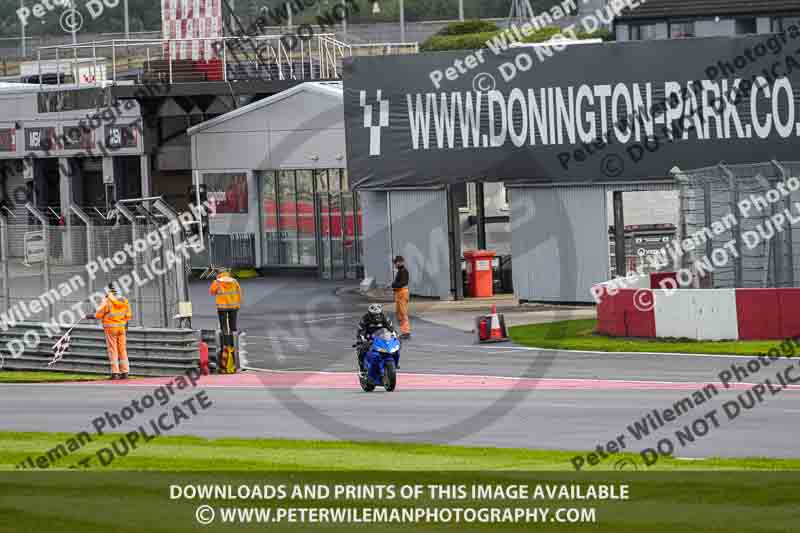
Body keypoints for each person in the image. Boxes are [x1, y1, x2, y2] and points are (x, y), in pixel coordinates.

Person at [85, 283, 132, 380]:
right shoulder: (125, 300)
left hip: (110, 329)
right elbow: (128, 316)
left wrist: (89, 316)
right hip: (122, 328)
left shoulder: (107, 301)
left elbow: (99, 314)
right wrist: (125, 326)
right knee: (122, 350)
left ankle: (115, 373)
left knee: (113, 350)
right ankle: (125, 372)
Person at [355, 303, 395, 374]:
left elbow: (391, 329)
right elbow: (361, 331)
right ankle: (362, 369)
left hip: (382, 338)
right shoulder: (364, 319)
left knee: (395, 348)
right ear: (370, 314)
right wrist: (362, 339)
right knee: (361, 350)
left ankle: (394, 363)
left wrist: (394, 336)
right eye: (374, 315)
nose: (376, 316)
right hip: (369, 338)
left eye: (378, 314)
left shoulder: (385, 318)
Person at [209, 268, 242, 335]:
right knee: (233, 326)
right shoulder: (234, 281)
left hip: (222, 307)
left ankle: (224, 340)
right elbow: (239, 293)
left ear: (219, 274)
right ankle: (233, 340)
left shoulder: (217, 282)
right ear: (227, 273)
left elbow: (212, 292)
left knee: (223, 326)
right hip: (233, 306)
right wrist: (238, 305)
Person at [391, 255, 411, 339]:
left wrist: (394, 284)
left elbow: (403, 282)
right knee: (399, 314)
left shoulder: (403, 271)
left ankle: (406, 332)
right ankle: (404, 331)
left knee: (403, 313)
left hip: (402, 293)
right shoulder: (400, 271)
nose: (395, 265)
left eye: (395, 263)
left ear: (400, 262)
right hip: (399, 293)